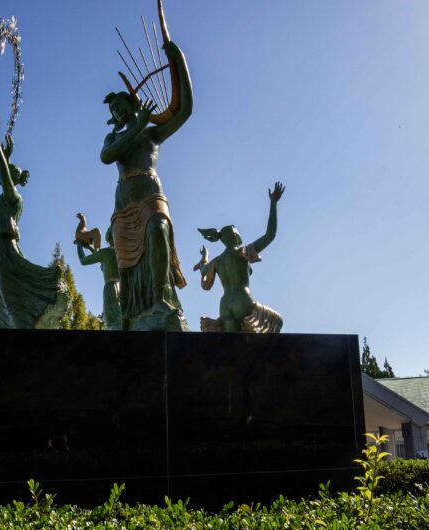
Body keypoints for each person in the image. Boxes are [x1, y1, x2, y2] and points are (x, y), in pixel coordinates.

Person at [100, 39, 193, 331]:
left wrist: (179, 61)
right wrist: (136, 127)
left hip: (150, 193)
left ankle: (161, 297)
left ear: (133, 104)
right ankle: (133, 313)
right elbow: (107, 157)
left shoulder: (153, 134)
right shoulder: (114, 138)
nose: (118, 112)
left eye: (120, 105)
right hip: (124, 203)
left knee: (157, 230)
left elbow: (184, 111)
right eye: (114, 110)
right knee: (127, 263)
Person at [0, 110, 69, 329]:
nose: (5, 172)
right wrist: (7, 157)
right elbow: (4, 173)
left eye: (9, 170)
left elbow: (4, 172)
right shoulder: (4, 198)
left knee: (11, 298)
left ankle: (23, 337)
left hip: (4, 249)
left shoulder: (14, 199)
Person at [194, 182, 286, 333]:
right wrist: (273, 203)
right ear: (236, 236)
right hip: (243, 301)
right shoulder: (242, 252)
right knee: (277, 321)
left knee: (232, 344)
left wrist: (205, 256)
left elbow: (203, 269)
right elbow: (270, 235)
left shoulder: (217, 261)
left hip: (224, 306)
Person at [73, 213, 121, 330]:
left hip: (110, 288)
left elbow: (83, 261)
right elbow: (101, 261)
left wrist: (79, 245)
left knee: (113, 323)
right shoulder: (119, 252)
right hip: (121, 287)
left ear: (108, 237)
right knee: (119, 318)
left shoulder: (106, 252)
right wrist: (90, 248)